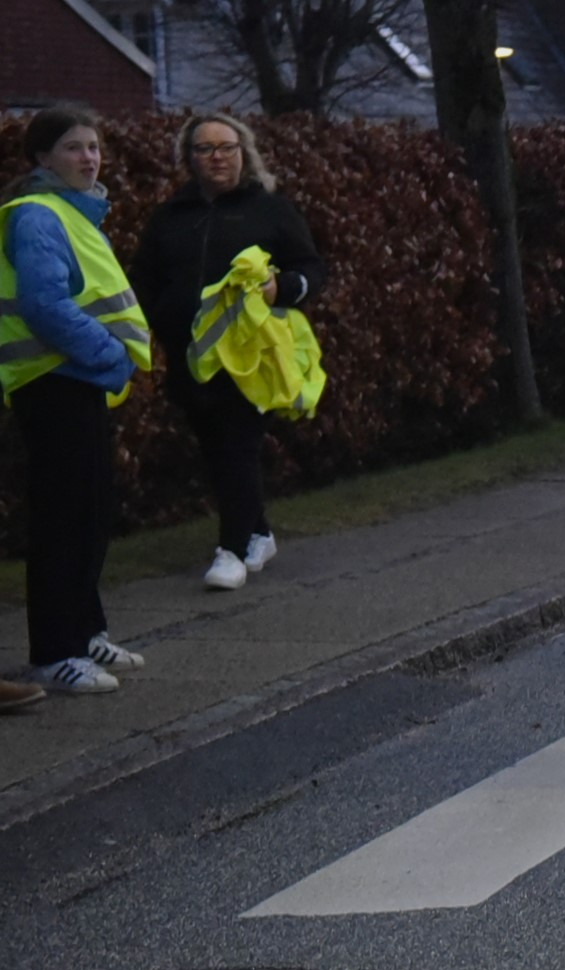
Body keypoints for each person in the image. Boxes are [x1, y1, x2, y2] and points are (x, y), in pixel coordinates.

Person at [130, 111, 329, 590]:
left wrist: (284, 287)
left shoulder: (270, 210)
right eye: (205, 149)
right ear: (189, 158)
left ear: (245, 152)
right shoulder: (170, 216)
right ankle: (257, 531)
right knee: (216, 450)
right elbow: (143, 277)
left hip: (248, 356)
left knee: (237, 446)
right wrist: (160, 317)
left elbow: (312, 269)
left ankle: (232, 552)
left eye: (227, 147)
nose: (217, 158)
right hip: (189, 355)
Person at [3, 104, 155, 694]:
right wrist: (110, 355)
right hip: (54, 381)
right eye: (73, 147)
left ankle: (84, 630)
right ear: (42, 158)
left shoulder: (70, 214)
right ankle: (54, 651)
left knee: (89, 514)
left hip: (75, 382)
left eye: (93, 146)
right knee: (64, 520)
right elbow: (46, 306)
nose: (89, 158)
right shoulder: (40, 216)